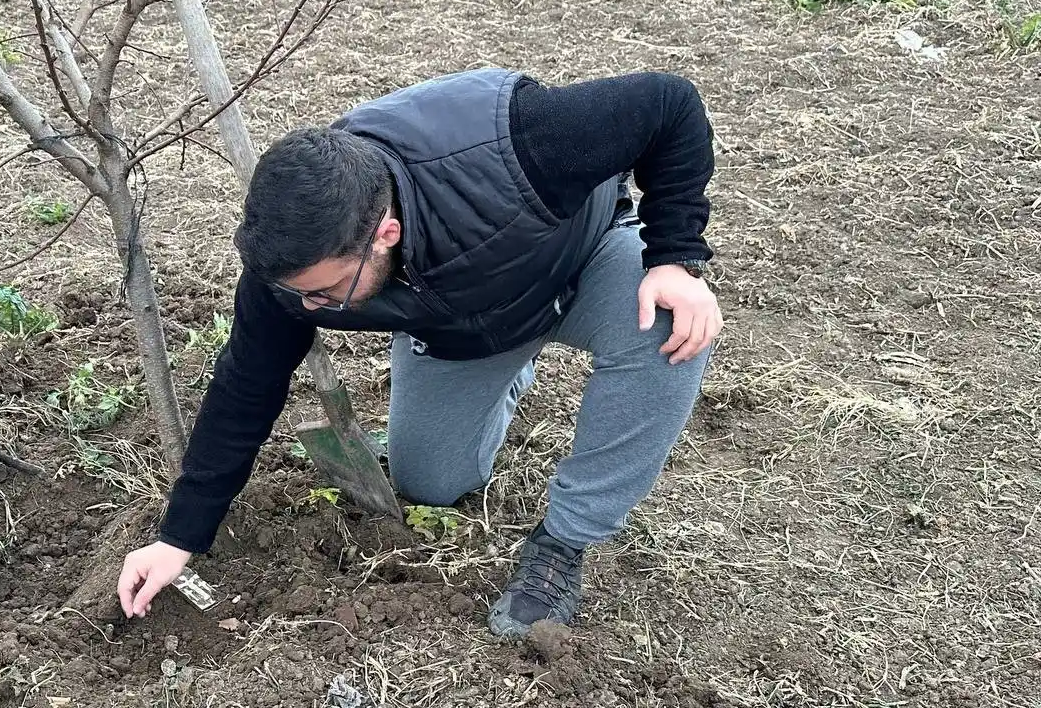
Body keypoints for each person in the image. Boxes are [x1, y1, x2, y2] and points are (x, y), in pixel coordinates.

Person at [117, 67, 723, 638]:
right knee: (430, 483)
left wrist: (675, 255)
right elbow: (244, 387)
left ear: (385, 233)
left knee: (670, 321)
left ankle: (564, 543)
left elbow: (670, 104)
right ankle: (509, 367)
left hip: (580, 263)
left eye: (329, 293)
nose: (313, 309)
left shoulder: (519, 146)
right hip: (460, 329)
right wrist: (180, 536)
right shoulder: (294, 275)